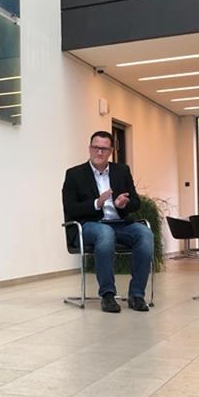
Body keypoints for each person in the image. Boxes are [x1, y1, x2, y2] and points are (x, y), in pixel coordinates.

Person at [62, 131, 153, 313]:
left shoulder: (122, 171)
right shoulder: (74, 174)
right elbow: (70, 208)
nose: (99, 152)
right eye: (96, 147)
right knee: (105, 233)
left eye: (104, 149)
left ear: (111, 151)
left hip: (120, 223)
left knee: (145, 233)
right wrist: (97, 203)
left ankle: (136, 295)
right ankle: (108, 295)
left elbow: (136, 202)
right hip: (89, 226)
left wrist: (122, 204)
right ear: (89, 148)